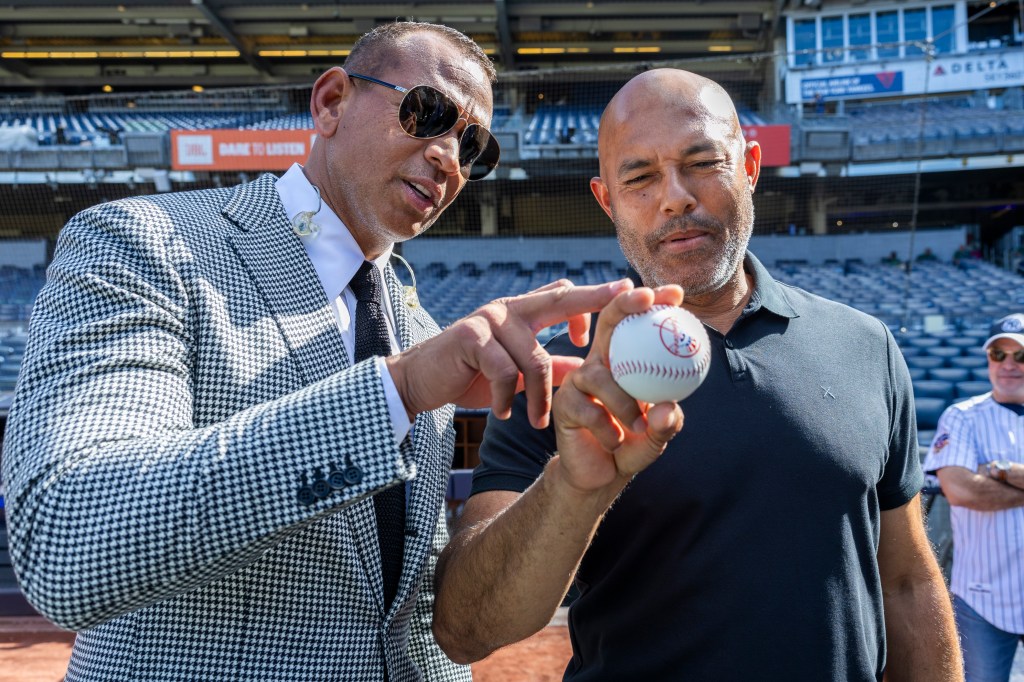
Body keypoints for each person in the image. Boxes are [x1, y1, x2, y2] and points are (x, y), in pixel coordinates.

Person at [1, 22, 630, 680]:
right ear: (331, 102)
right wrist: (396, 393)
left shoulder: (419, 330)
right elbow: (66, 543)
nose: (449, 157)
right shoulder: (146, 245)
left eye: (471, 145)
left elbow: (405, 617)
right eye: (428, 112)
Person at [432, 68, 962, 680]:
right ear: (606, 199)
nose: (675, 197)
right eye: (640, 177)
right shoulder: (555, 378)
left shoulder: (866, 346)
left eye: (703, 162)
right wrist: (572, 490)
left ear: (750, 166)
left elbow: (904, 581)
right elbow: (466, 630)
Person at [924, 313, 1024, 682]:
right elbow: (960, 490)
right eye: (999, 354)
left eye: (1020, 356)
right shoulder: (962, 416)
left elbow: (973, 484)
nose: (1009, 365)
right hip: (982, 597)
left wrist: (999, 469)